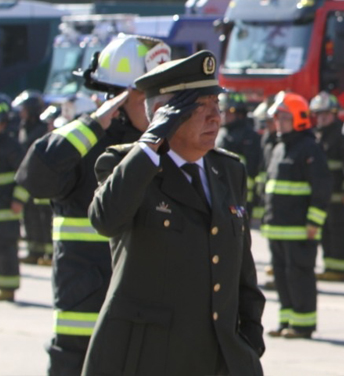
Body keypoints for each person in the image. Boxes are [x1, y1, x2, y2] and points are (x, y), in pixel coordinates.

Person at [83, 50, 265, 376]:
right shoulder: (126, 166)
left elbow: (242, 266)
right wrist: (151, 141)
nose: (214, 117)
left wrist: (251, 333)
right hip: (150, 358)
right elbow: (105, 219)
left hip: (222, 355)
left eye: (216, 105)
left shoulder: (228, 170)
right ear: (162, 114)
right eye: (199, 107)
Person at [15, 35, 172, 376]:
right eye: (148, 95)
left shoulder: (166, 148)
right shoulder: (84, 143)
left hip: (148, 323)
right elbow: (34, 177)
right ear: (118, 97)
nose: (160, 104)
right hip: (84, 328)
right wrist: (91, 125)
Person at [262, 92, 332, 339]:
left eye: (284, 118)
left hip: (300, 229)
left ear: (299, 119)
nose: (279, 123)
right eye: (277, 118)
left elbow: (321, 188)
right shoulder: (278, 146)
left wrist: (314, 221)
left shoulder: (309, 148)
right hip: (277, 228)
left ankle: (303, 325)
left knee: (299, 275)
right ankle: (286, 320)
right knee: (282, 276)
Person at [310, 91, 344, 281]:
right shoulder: (316, 135)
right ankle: (330, 266)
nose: (322, 118)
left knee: (338, 232)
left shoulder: (341, 134)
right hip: (324, 195)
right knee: (326, 231)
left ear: (334, 114)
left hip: (338, 195)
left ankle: (340, 268)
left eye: (326, 114)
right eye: (319, 114)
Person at [13, 90, 52, 265]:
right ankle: (34, 251)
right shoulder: (22, 127)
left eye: (24, 108)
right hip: (26, 178)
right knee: (29, 216)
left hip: (41, 179)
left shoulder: (43, 129)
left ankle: (48, 254)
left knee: (44, 217)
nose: (21, 112)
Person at [216, 91, 262, 217]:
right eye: (222, 111)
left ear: (240, 114)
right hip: (221, 192)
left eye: (228, 112)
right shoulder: (220, 134)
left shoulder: (250, 137)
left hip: (242, 196)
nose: (224, 115)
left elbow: (255, 168)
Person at [0, 96, 24, 302]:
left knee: (7, 252)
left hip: (7, 212)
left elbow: (25, 178)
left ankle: (7, 290)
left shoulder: (12, 147)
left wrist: (19, 200)